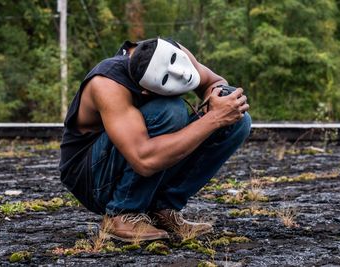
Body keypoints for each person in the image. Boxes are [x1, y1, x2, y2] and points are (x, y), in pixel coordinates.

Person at [59, 37, 251, 242]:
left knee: (236, 118)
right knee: (170, 111)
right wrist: (213, 118)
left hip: (138, 157)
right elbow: (144, 160)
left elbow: (213, 81)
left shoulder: (171, 52)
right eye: (170, 80)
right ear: (146, 91)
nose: (181, 74)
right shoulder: (107, 84)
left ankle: (162, 210)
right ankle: (123, 213)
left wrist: (219, 98)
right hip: (92, 177)